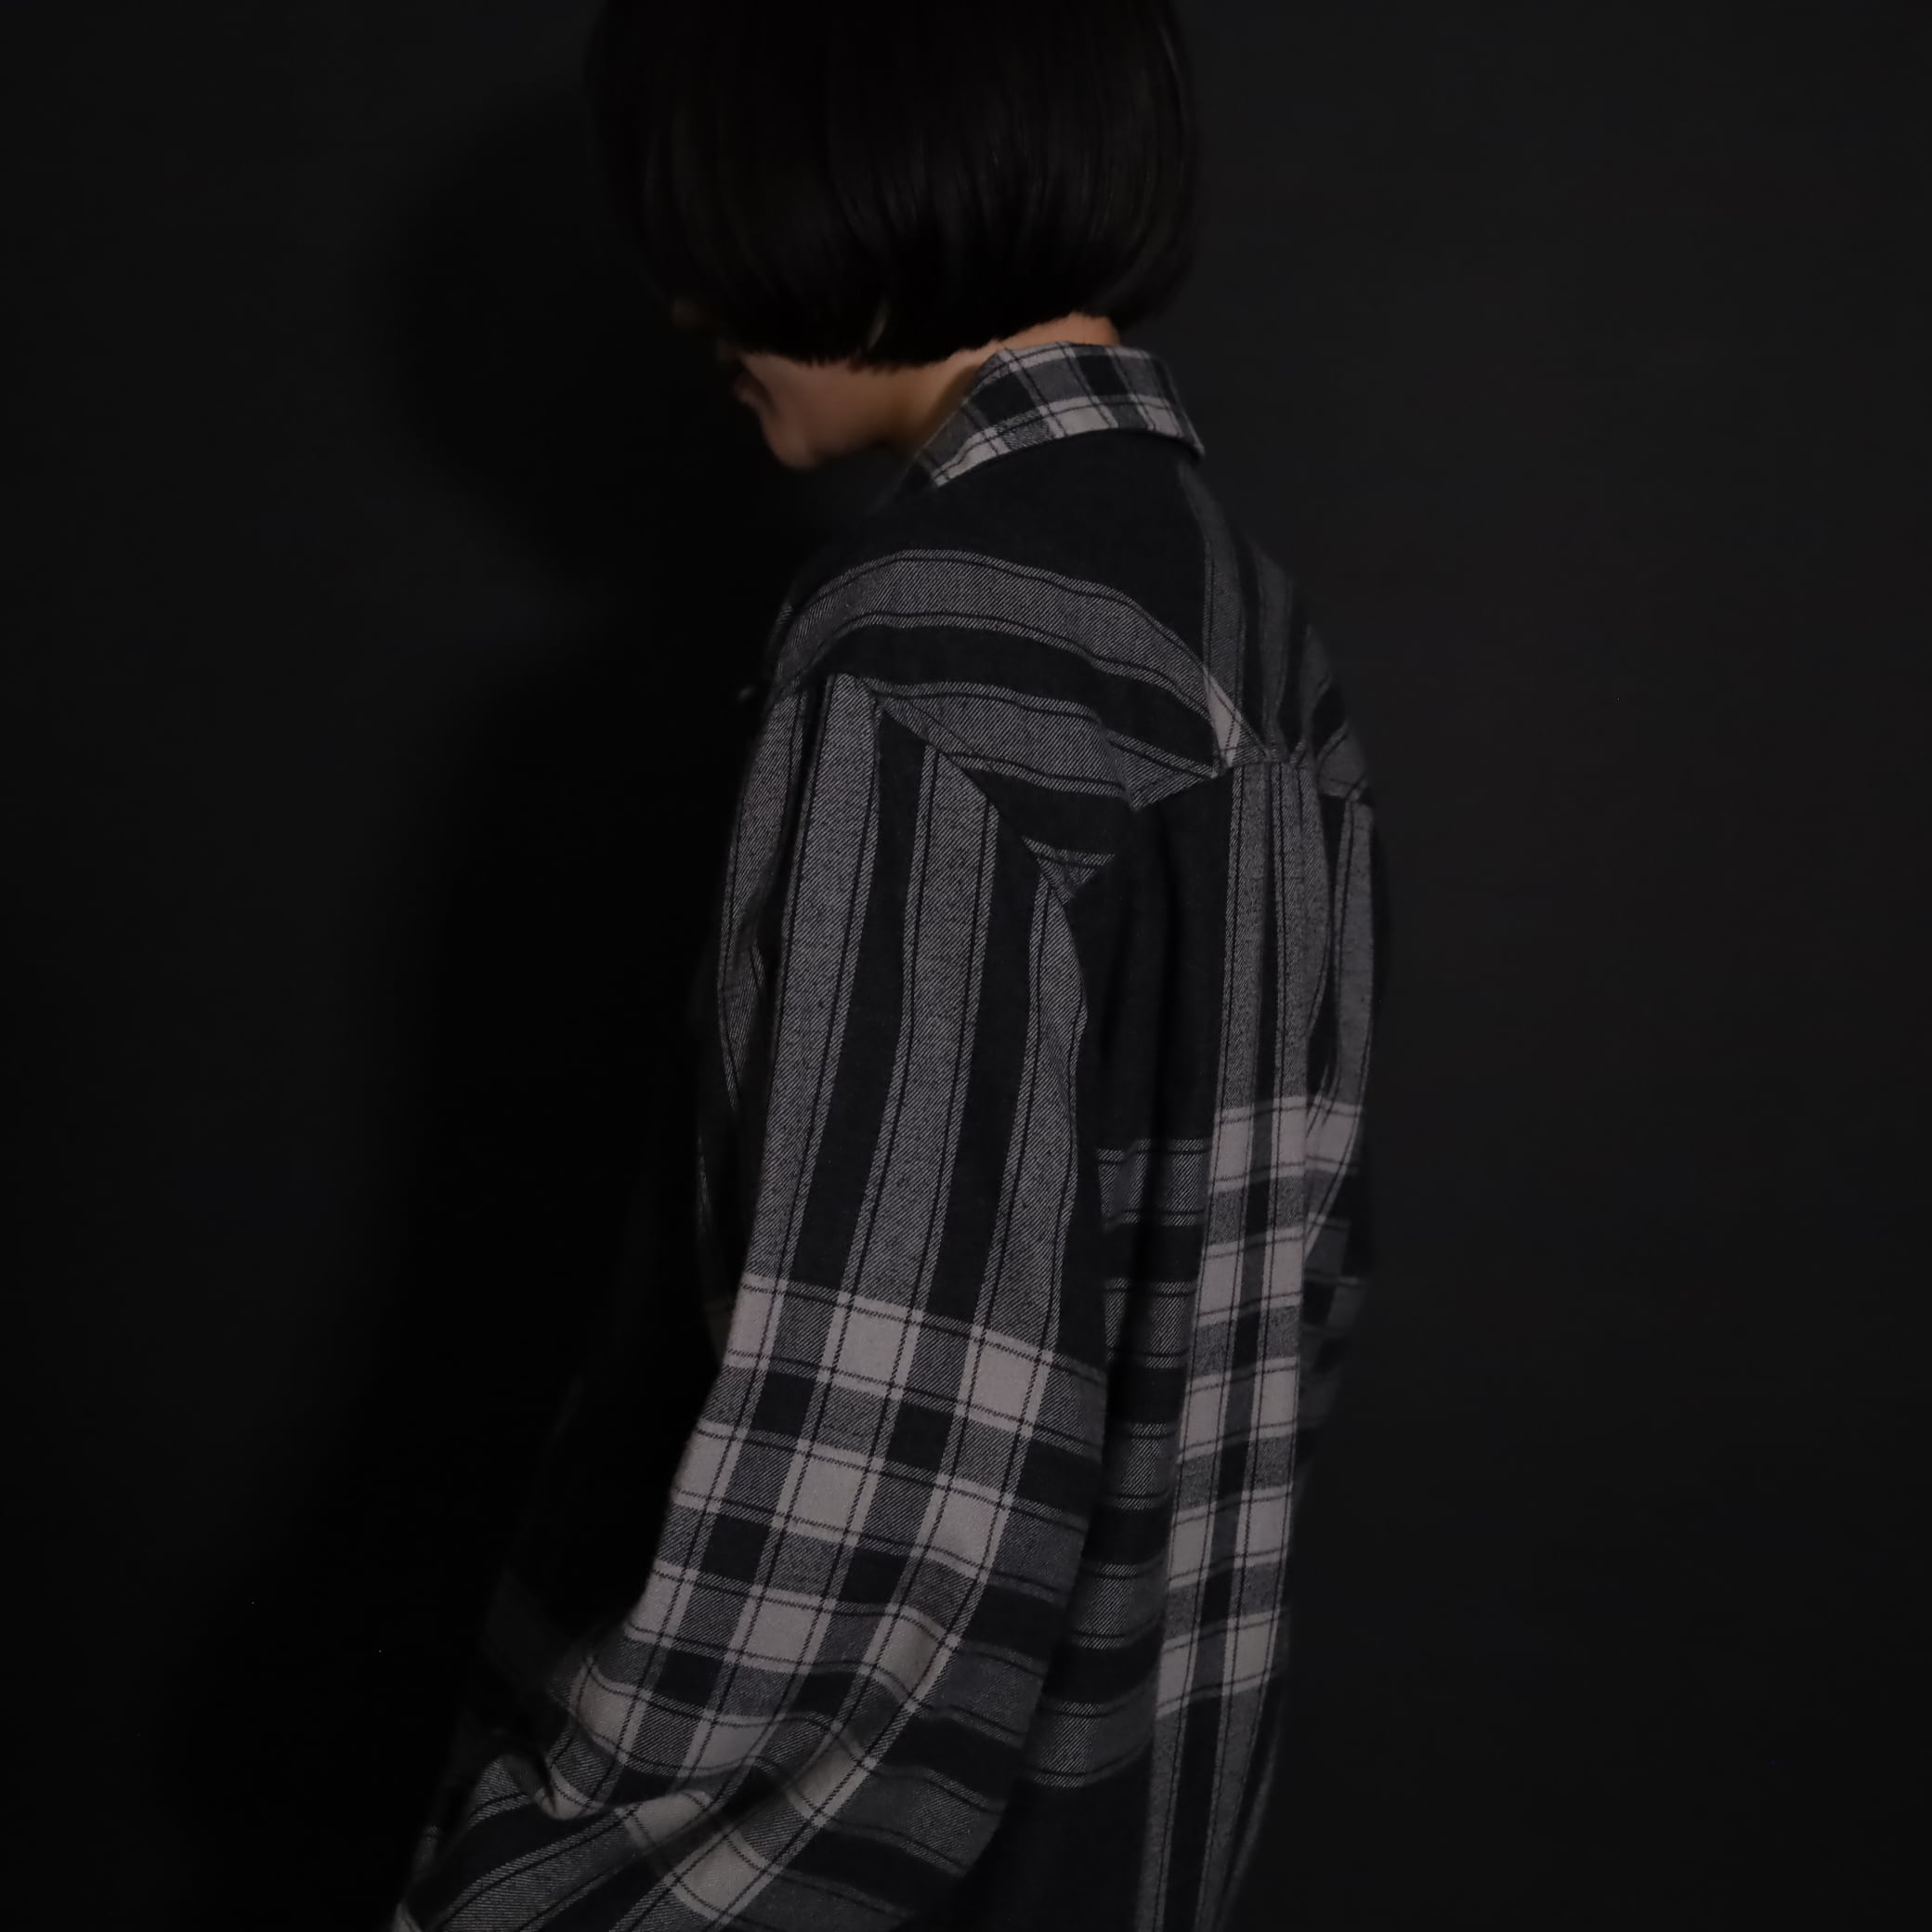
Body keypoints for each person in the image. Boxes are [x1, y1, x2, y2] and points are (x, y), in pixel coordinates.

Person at [390, 2, 1390, 1926]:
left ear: (851, 179)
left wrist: (530, 1889)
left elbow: (867, 1515)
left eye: (704, 217)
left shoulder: (943, 646)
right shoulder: (1247, 631)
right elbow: (1265, 1354)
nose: (682, 301)